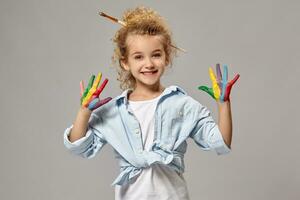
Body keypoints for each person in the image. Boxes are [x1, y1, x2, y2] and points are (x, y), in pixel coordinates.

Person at [63, 6, 239, 200]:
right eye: (138, 57)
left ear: (166, 57)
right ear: (125, 63)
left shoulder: (182, 104)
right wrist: (84, 112)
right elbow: (78, 147)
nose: (149, 64)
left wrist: (224, 104)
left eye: (156, 54)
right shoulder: (114, 111)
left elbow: (221, 142)